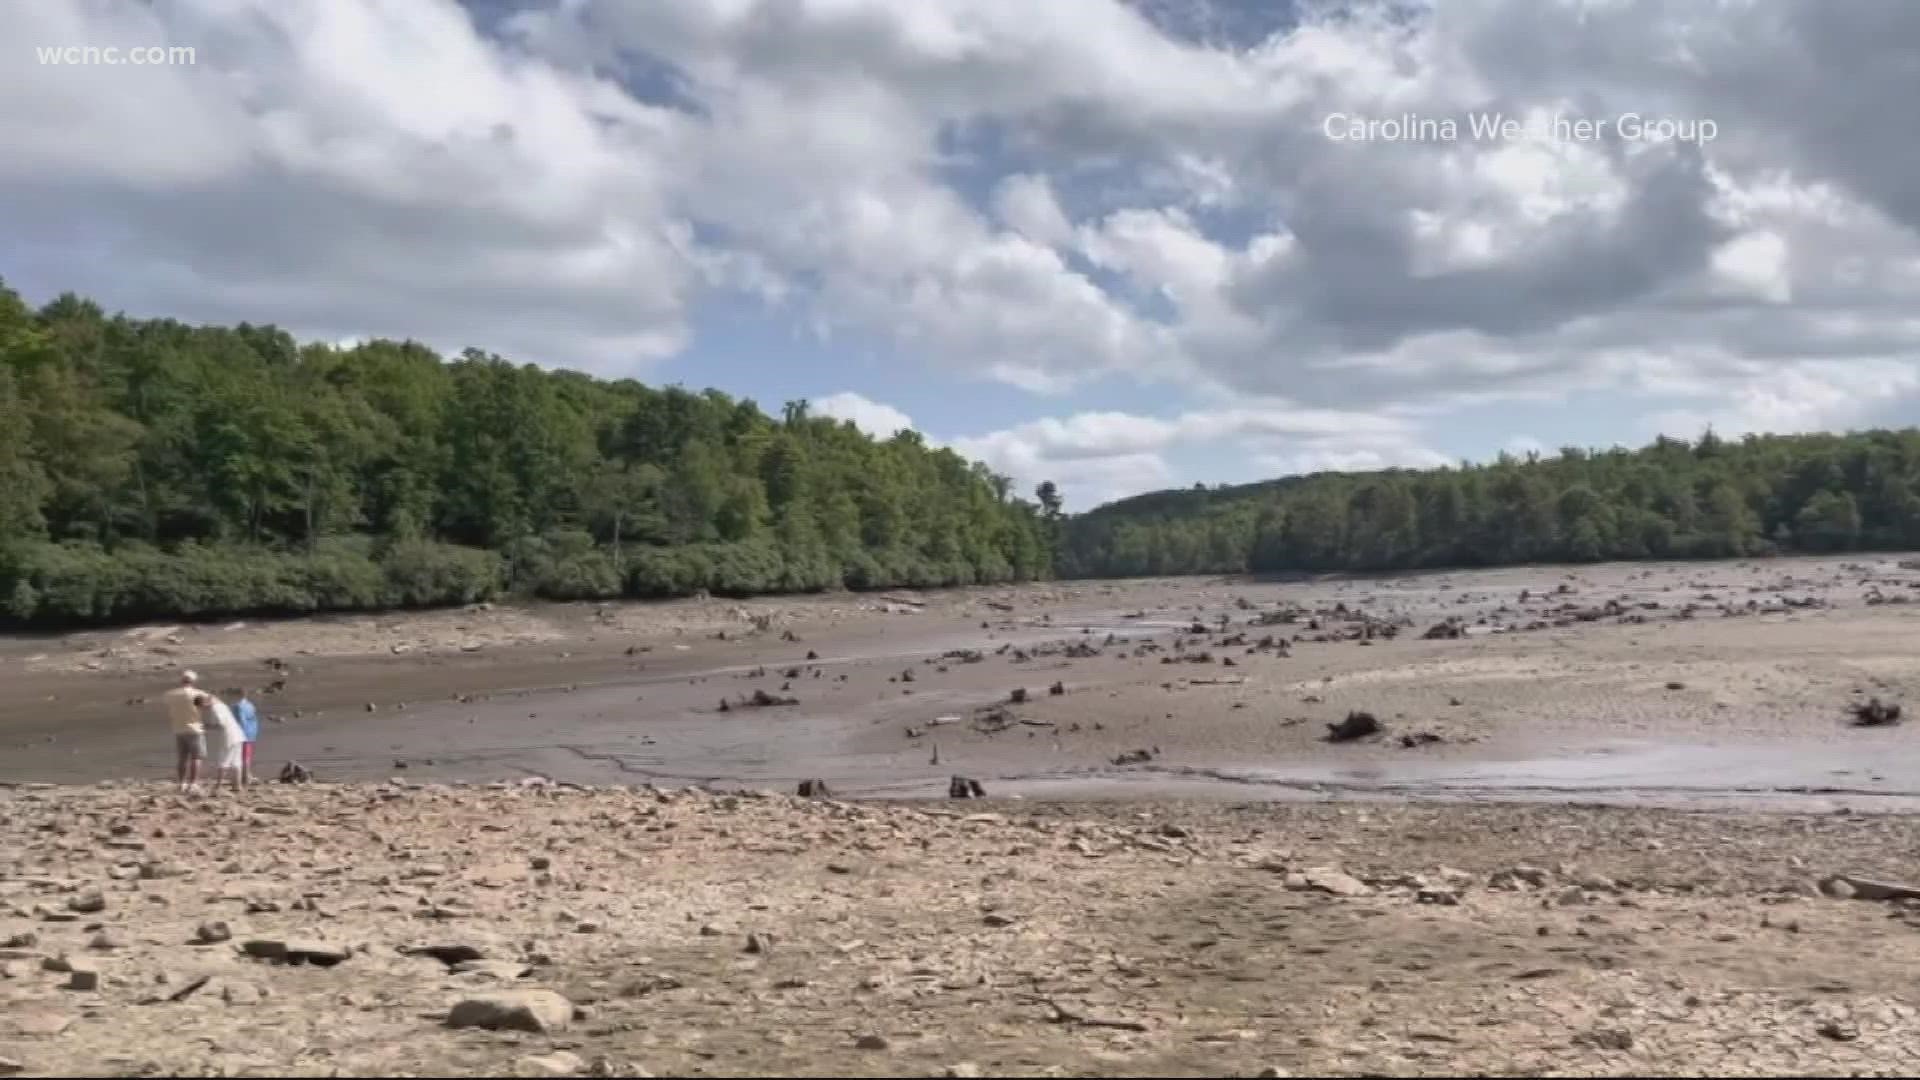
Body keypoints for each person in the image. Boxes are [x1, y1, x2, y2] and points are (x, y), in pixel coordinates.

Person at [162, 670, 206, 793]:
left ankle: (181, 783)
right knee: (196, 757)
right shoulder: (198, 694)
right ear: (194, 681)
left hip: (179, 729)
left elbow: (167, 702)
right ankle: (193, 783)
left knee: (182, 758)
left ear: (182, 680)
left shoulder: (171, 694)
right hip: (195, 729)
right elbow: (206, 705)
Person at [198, 692, 246, 793]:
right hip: (238, 735)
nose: (203, 709)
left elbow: (221, 724)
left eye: (202, 707)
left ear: (204, 703)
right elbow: (213, 697)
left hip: (228, 737)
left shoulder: (215, 709)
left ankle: (218, 787)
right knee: (236, 762)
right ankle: (237, 786)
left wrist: (206, 726)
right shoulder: (221, 705)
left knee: (223, 762)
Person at [232, 688, 260, 787]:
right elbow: (254, 719)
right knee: (247, 756)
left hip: (242, 733)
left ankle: (245, 777)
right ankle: (247, 775)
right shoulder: (250, 705)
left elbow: (241, 720)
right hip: (251, 732)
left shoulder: (237, 706)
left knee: (241, 757)